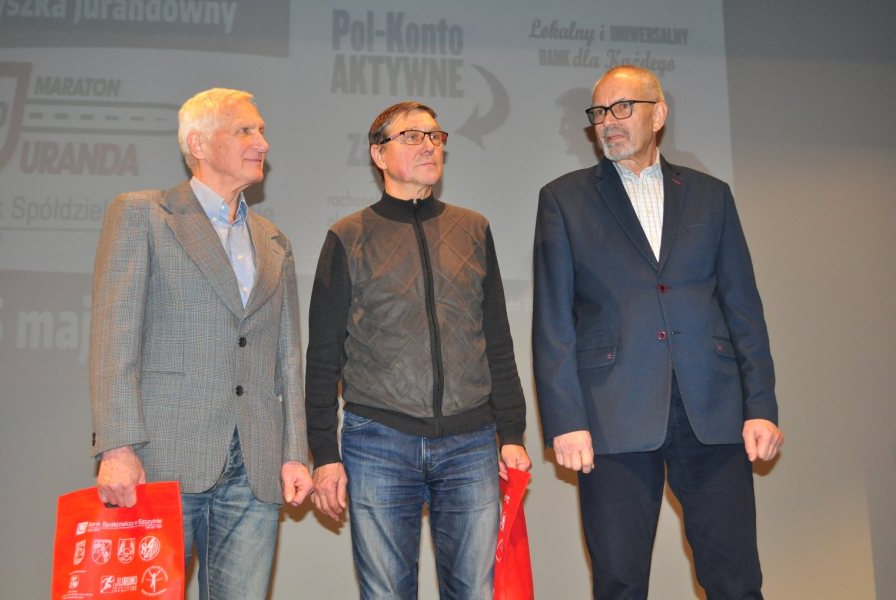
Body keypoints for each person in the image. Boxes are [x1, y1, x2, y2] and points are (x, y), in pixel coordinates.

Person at [533, 65, 784, 599]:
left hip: (713, 410)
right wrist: (566, 421)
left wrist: (760, 405)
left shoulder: (711, 195)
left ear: (659, 114)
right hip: (612, 414)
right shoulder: (563, 199)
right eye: (599, 112)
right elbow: (553, 321)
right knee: (620, 581)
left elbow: (743, 307)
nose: (608, 122)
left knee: (736, 579)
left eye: (622, 107)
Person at [89, 88, 312, 599]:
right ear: (198, 144)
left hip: (255, 466)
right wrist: (117, 447)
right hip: (160, 459)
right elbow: (113, 339)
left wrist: (294, 452)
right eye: (245, 130)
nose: (263, 143)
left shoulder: (274, 240)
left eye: (261, 130)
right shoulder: (143, 214)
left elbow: (287, 357)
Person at [306, 101, 531, 599]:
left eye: (435, 136)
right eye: (411, 136)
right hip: (378, 440)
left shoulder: (473, 229)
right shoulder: (347, 237)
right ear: (378, 155)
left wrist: (511, 432)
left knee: (474, 591)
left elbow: (497, 339)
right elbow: (323, 356)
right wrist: (324, 454)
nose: (429, 145)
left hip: (471, 442)